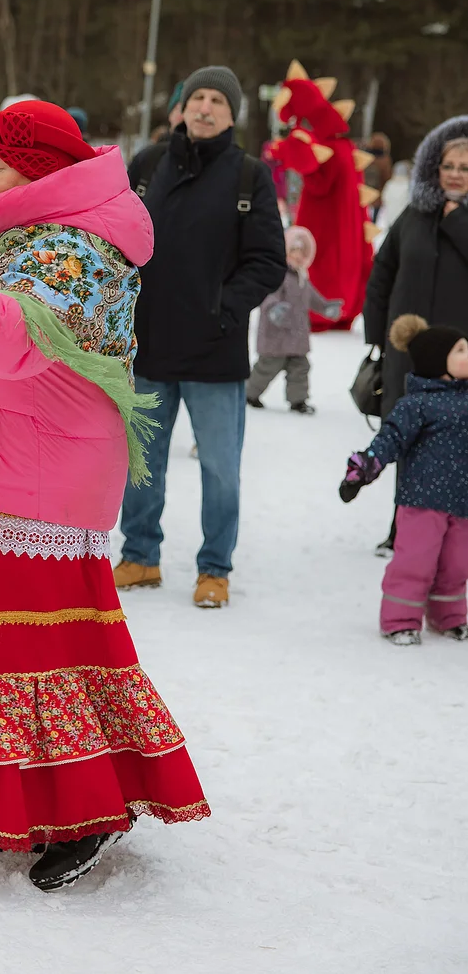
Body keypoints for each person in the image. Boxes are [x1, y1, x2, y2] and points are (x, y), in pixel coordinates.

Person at [0, 106, 210, 892]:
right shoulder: (23, 226)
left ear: (41, 171)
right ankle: (2, 802)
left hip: (41, 481)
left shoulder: (79, 248)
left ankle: (91, 810)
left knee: (41, 653)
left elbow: (7, 338)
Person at [115, 65, 286, 605]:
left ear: (232, 114)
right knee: (141, 464)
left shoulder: (248, 177)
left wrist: (223, 310)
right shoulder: (146, 164)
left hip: (215, 353)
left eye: (217, 100)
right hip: (149, 347)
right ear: (182, 107)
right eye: (197, 97)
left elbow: (267, 262)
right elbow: (116, 240)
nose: (205, 107)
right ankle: (140, 556)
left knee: (220, 469)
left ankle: (214, 568)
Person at [364, 115, 468, 555]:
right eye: (449, 166)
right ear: (434, 166)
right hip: (406, 353)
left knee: (451, 445)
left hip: (459, 357)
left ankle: (452, 530)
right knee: (407, 438)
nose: (456, 175)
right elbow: (383, 272)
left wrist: (457, 220)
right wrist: (376, 334)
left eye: (465, 168)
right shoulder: (413, 214)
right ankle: (401, 527)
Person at [339, 314, 468, 646]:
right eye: (461, 350)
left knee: (457, 565)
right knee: (415, 561)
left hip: (463, 503)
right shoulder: (417, 405)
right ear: (438, 361)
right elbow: (389, 440)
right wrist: (362, 470)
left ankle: (449, 617)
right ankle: (400, 619)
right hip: (422, 501)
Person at [247, 226, 343, 413]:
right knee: (266, 368)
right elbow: (269, 296)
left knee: (300, 368)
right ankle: (249, 392)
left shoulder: (302, 278)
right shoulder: (279, 275)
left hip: (296, 337)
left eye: (302, 253)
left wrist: (326, 307)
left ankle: (298, 400)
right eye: (293, 252)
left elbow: (313, 299)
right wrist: (274, 309)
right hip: (277, 336)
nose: (298, 257)